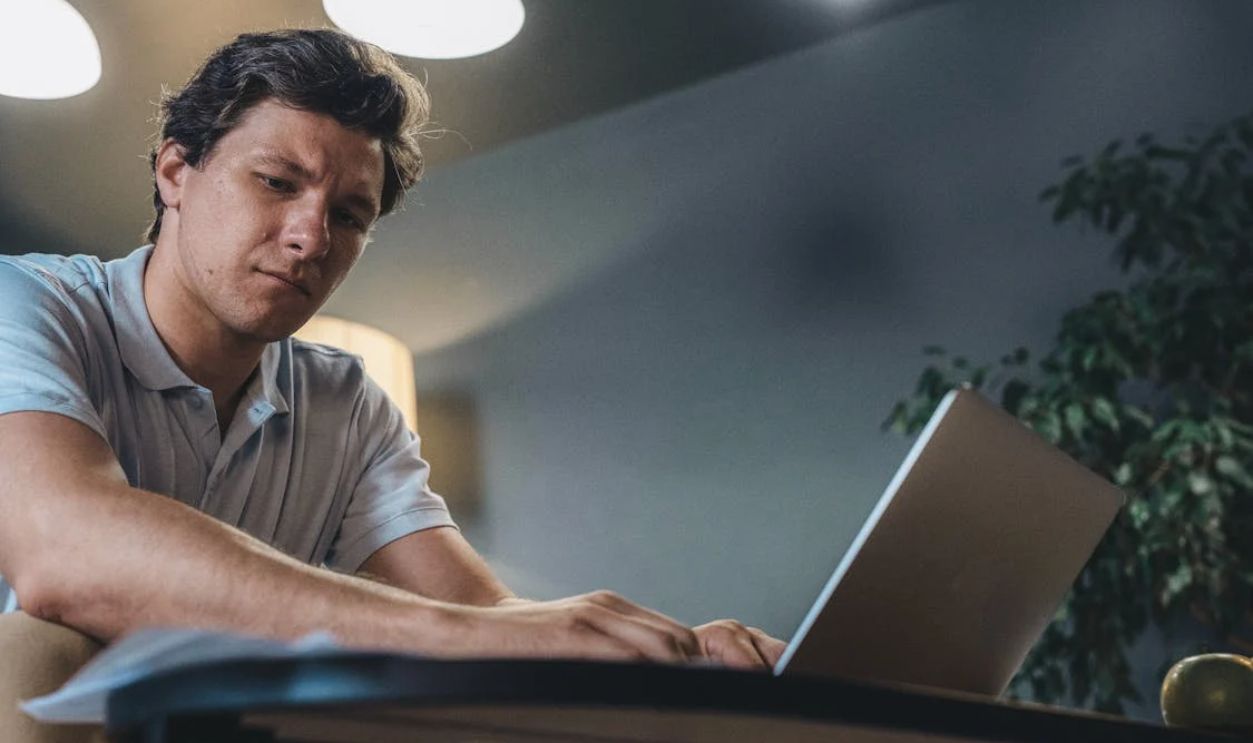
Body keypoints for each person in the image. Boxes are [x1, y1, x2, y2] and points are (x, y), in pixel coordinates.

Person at [0, 28, 784, 724]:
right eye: (276, 182)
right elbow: (63, 549)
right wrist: (463, 637)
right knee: (35, 640)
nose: (311, 237)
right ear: (176, 169)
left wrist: (681, 652)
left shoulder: (344, 400)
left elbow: (487, 613)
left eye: (349, 215)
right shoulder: (26, 304)